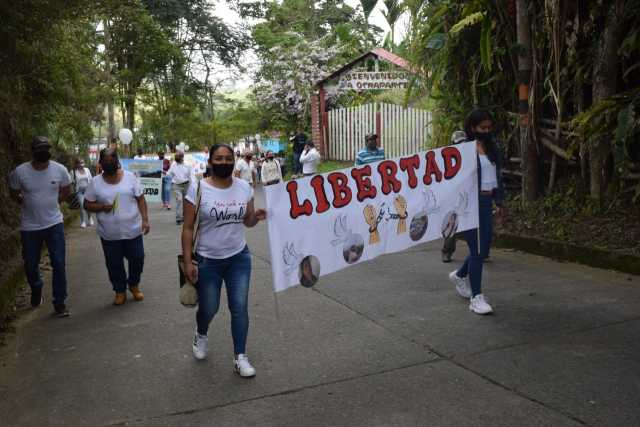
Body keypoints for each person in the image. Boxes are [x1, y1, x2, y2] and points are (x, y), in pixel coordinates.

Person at [181, 143, 266, 377]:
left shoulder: (243, 187)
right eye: (218, 159)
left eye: (228, 158)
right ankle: (201, 332)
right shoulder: (198, 189)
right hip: (208, 260)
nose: (224, 163)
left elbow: (247, 221)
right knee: (210, 308)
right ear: (210, 161)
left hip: (239, 257)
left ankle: (240, 357)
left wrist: (256, 217)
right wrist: (188, 262)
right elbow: (188, 228)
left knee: (239, 308)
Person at [448, 109, 505, 315]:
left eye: (489, 127)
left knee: (482, 249)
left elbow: (497, 176)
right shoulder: (463, 149)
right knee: (478, 251)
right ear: (472, 128)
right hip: (471, 204)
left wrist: (499, 202)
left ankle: (460, 275)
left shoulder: (492, 147)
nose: (487, 131)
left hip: (487, 201)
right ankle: (476, 297)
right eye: (482, 128)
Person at [8, 136, 71, 317]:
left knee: (59, 263)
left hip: (54, 224)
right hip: (30, 227)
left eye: (46, 148)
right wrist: (25, 203)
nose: (44, 151)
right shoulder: (20, 172)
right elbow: (13, 192)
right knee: (30, 264)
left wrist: (54, 203)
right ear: (32, 151)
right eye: (40, 148)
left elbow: (66, 190)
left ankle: (60, 302)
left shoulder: (60, 170)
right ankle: (36, 288)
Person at [84, 148, 150, 305]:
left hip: (133, 231)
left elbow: (140, 199)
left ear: (117, 161)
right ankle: (120, 290)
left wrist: (145, 220)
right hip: (109, 234)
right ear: (100, 163)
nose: (108, 163)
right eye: (105, 161)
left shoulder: (130, 177)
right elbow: (87, 204)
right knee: (114, 264)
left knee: (138, 259)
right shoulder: (95, 183)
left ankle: (133, 284)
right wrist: (101, 207)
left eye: (111, 160)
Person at [441, 130, 470, 263]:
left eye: (463, 143)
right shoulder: (446, 158)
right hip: (453, 196)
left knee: (473, 224)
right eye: (459, 143)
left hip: (468, 194)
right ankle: (447, 251)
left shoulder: (471, 156)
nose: (461, 146)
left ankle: (477, 252)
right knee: (452, 225)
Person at [167, 151, 195, 225]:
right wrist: (166, 174)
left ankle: (185, 217)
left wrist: (194, 185)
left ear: (182, 158)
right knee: (179, 200)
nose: (176, 159)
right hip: (176, 185)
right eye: (176, 158)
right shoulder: (173, 164)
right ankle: (178, 218)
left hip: (186, 184)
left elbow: (191, 176)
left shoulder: (188, 165)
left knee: (186, 201)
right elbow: (169, 173)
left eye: (178, 158)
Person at [70, 158, 94, 228]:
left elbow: (91, 179)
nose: (82, 164)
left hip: (88, 190)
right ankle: (83, 221)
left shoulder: (87, 170)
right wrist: (72, 190)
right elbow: (71, 182)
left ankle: (90, 218)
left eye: (83, 162)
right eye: (80, 163)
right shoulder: (73, 172)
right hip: (79, 191)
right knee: (82, 205)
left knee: (88, 205)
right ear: (77, 164)